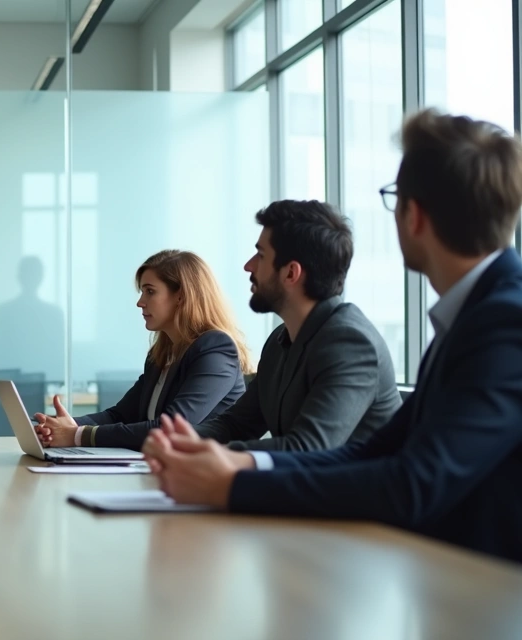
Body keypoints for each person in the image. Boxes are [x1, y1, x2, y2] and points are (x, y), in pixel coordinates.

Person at [145, 110, 522, 564]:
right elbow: (376, 451)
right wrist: (238, 465)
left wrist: (232, 481)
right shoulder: (474, 315)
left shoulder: (503, 321)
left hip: (481, 590)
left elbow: (412, 483)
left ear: (415, 215)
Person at [180, 200, 401, 451]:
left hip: (352, 490)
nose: (248, 266)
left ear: (291, 273)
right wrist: (179, 439)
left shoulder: (350, 343)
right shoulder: (279, 341)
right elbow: (236, 424)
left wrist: (210, 453)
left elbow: (308, 448)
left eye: (260, 255)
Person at [34, 250, 252, 449]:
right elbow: (120, 415)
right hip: (161, 468)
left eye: (150, 292)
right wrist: (66, 426)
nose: (140, 302)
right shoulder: (160, 354)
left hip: (206, 478)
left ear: (181, 296)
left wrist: (78, 435)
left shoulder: (215, 349)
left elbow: (171, 426)